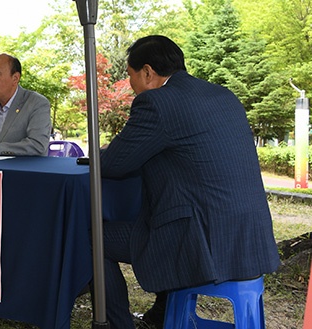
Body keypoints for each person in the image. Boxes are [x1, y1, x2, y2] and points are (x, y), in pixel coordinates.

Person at [99, 35, 280, 329]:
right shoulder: (224, 96)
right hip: (249, 239)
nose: (131, 87)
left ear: (147, 72)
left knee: (93, 238)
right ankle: (160, 317)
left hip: (203, 242)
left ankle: (118, 325)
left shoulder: (157, 102)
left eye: (131, 77)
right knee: (158, 218)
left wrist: (101, 152)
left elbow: (115, 164)